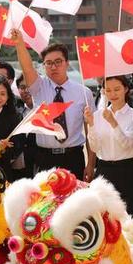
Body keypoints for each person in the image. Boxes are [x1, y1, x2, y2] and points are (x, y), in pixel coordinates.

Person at [10, 29, 95, 181]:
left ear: (67, 63)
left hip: (73, 158)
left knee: (74, 203)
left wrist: (90, 164)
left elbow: (91, 133)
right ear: (43, 66)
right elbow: (27, 67)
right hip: (44, 159)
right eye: (48, 63)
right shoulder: (39, 87)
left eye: (58, 62)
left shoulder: (84, 92)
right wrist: (19, 44)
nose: (53, 67)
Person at [84, 75, 133, 215]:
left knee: (129, 215)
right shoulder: (98, 115)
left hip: (127, 170)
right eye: (108, 90)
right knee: (103, 215)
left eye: (117, 89)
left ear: (126, 89)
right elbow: (95, 147)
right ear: (103, 91)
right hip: (104, 170)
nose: (113, 94)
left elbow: (127, 144)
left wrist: (113, 123)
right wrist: (91, 124)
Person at [0, 77, 24, 181]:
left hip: (0, 172)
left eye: (3, 94)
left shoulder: (14, 117)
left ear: (8, 98)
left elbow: (16, 148)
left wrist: (1, 150)